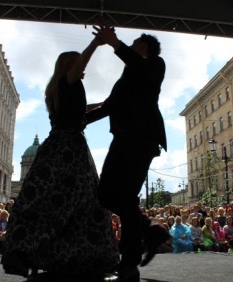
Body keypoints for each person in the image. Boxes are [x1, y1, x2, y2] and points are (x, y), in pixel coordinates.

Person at [1, 34, 119, 280]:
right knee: (81, 202)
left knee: (62, 202)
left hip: (60, 147)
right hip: (69, 150)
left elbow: (81, 114)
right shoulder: (68, 82)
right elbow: (80, 73)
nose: (82, 70)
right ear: (69, 66)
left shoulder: (59, 90)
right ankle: (87, 256)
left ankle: (56, 254)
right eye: (77, 65)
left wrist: (106, 106)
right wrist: (96, 43)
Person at [87, 24, 169, 281]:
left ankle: (130, 260)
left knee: (124, 196)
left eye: (134, 43)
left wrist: (114, 43)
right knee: (106, 195)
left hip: (142, 139)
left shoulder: (155, 64)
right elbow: (109, 106)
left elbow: (140, 67)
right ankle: (150, 230)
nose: (130, 46)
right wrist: (75, 120)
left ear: (143, 46)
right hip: (122, 138)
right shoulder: (127, 74)